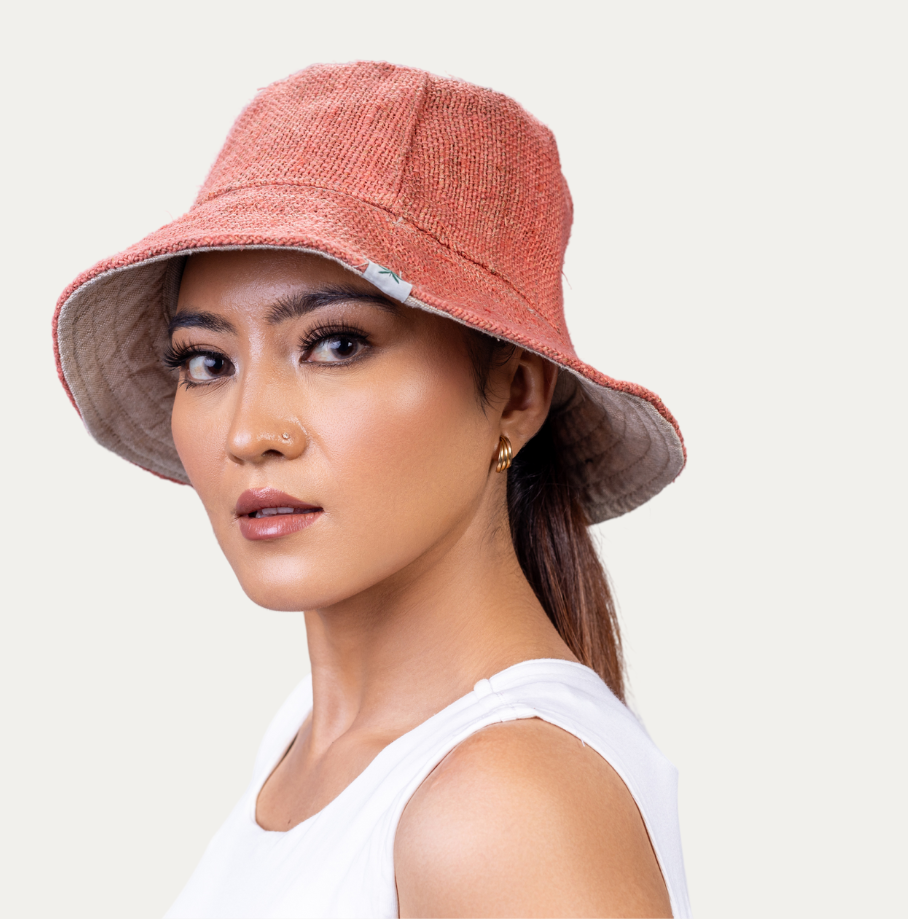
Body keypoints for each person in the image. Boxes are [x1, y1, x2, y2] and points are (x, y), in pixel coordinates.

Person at [53, 61, 690, 918]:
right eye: (207, 362)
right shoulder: (311, 744)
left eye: (337, 345)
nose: (249, 434)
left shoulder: (499, 806)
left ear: (513, 395)